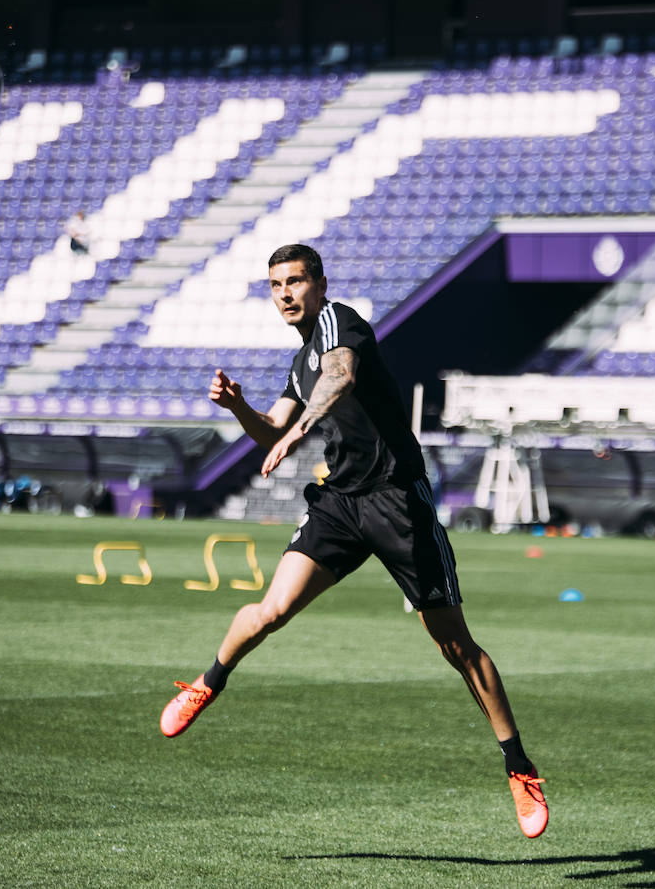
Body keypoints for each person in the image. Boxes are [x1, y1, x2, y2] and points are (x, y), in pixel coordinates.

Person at [160, 243, 548, 838]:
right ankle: (208, 682)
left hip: (397, 500)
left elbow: (339, 376)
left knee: (454, 645)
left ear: (319, 284)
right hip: (341, 502)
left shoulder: (340, 322)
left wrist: (300, 431)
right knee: (272, 610)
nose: (285, 294)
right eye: (275, 285)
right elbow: (273, 429)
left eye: (295, 281)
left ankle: (518, 766)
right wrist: (240, 408)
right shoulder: (299, 362)